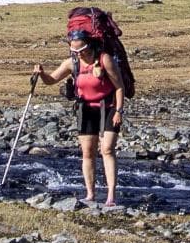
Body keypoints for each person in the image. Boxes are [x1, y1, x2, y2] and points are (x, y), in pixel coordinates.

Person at [34, 13, 132, 208]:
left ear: (89, 46)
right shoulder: (73, 63)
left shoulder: (105, 60)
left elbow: (119, 86)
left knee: (107, 149)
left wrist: (119, 111)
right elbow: (52, 80)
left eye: (81, 50)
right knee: (87, 152)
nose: (78, 54)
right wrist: (41, 74)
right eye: (74, 51)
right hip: (85, 109)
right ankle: (90, 193)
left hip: (108, 107)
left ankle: (111, 195)